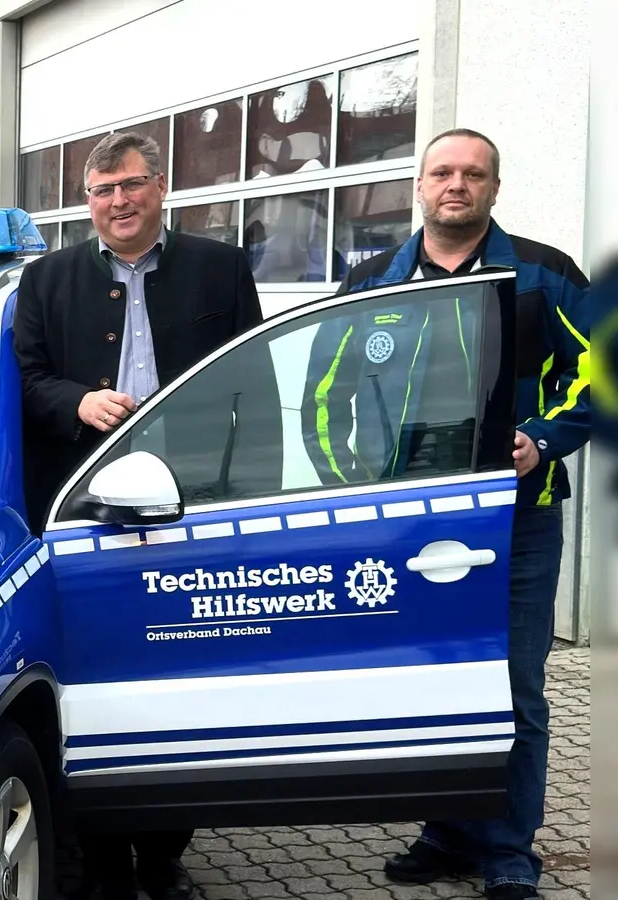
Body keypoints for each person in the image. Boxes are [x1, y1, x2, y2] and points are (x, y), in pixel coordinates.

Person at [305, 128, 597, 900]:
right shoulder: (374, 283)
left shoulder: (545, 274)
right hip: (409, 525)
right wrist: (361, 492)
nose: (456, 184)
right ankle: (444, 829)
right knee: (431, 682)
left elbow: (595, 374)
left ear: (494, 188)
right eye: (443, 171)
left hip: (517, 522)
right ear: (420, 185)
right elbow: (324, 402)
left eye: (473, 173)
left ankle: (507, 849)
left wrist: (542, 440)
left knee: (514, 686)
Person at [13, 131, 263, 900]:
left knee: (177, 682)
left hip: (189, 513)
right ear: (87, 202)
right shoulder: (47, 278)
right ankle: (102, 856)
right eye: (101, 190)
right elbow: (22, 378)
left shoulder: (219, 269)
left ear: (161, 189)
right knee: (95, 683)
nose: (116, 201)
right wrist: (75, 401)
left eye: (129, 185)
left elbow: (251, 382)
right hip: (82, 515)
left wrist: (254, 495)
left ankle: (163, 855)